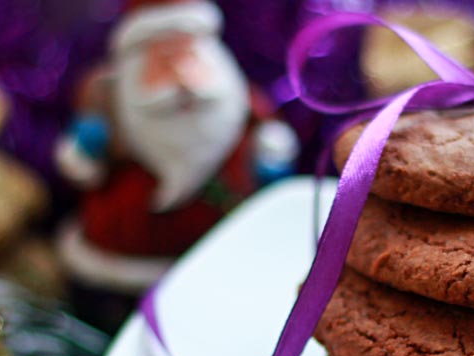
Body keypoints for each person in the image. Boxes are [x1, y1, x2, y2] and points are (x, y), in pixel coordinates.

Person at [56, 0, 298, 327]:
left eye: (188, 58)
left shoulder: (235, 101)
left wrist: (270, 153)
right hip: (126, 266)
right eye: (163, 65)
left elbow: (267, 131)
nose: (181, 80)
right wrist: (86, 150)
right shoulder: (110, 103)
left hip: (230, 267)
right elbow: (81, 165)